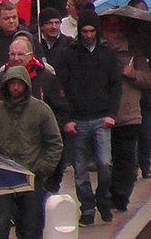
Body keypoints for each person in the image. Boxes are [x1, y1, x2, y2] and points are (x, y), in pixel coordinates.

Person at [0, 66, 62, 239]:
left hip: (31, 177)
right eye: (12, 84)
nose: (15, 88)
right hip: (3, 179)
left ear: (26, 85)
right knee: (0, 225)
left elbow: (54, 143)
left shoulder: (41, 110)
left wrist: (42, 169)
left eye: (19, 84)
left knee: (30, 227)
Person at [55, 11, 122, 226]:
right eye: (85, 31)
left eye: (92, 31)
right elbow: (61, 89)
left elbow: (115, 86)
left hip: (101, 117)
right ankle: (87, 208)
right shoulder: (68, 55)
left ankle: (102, 198)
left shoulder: (107, 54)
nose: (89, 35)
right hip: (78, 120)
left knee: (104, 163)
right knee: (80, 171)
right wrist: (67, 119)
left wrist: (112, 114)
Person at [101, 16, 151, 213]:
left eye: (118, 30)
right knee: (105, 161)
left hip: (129, 115)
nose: (115, 34)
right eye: (110, 29)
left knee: (126, 159)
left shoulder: (134, 53)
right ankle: (108, 193)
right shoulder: (99, 53)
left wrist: (133, 74)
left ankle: (122, 194)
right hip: (104, 114)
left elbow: (149, 79)